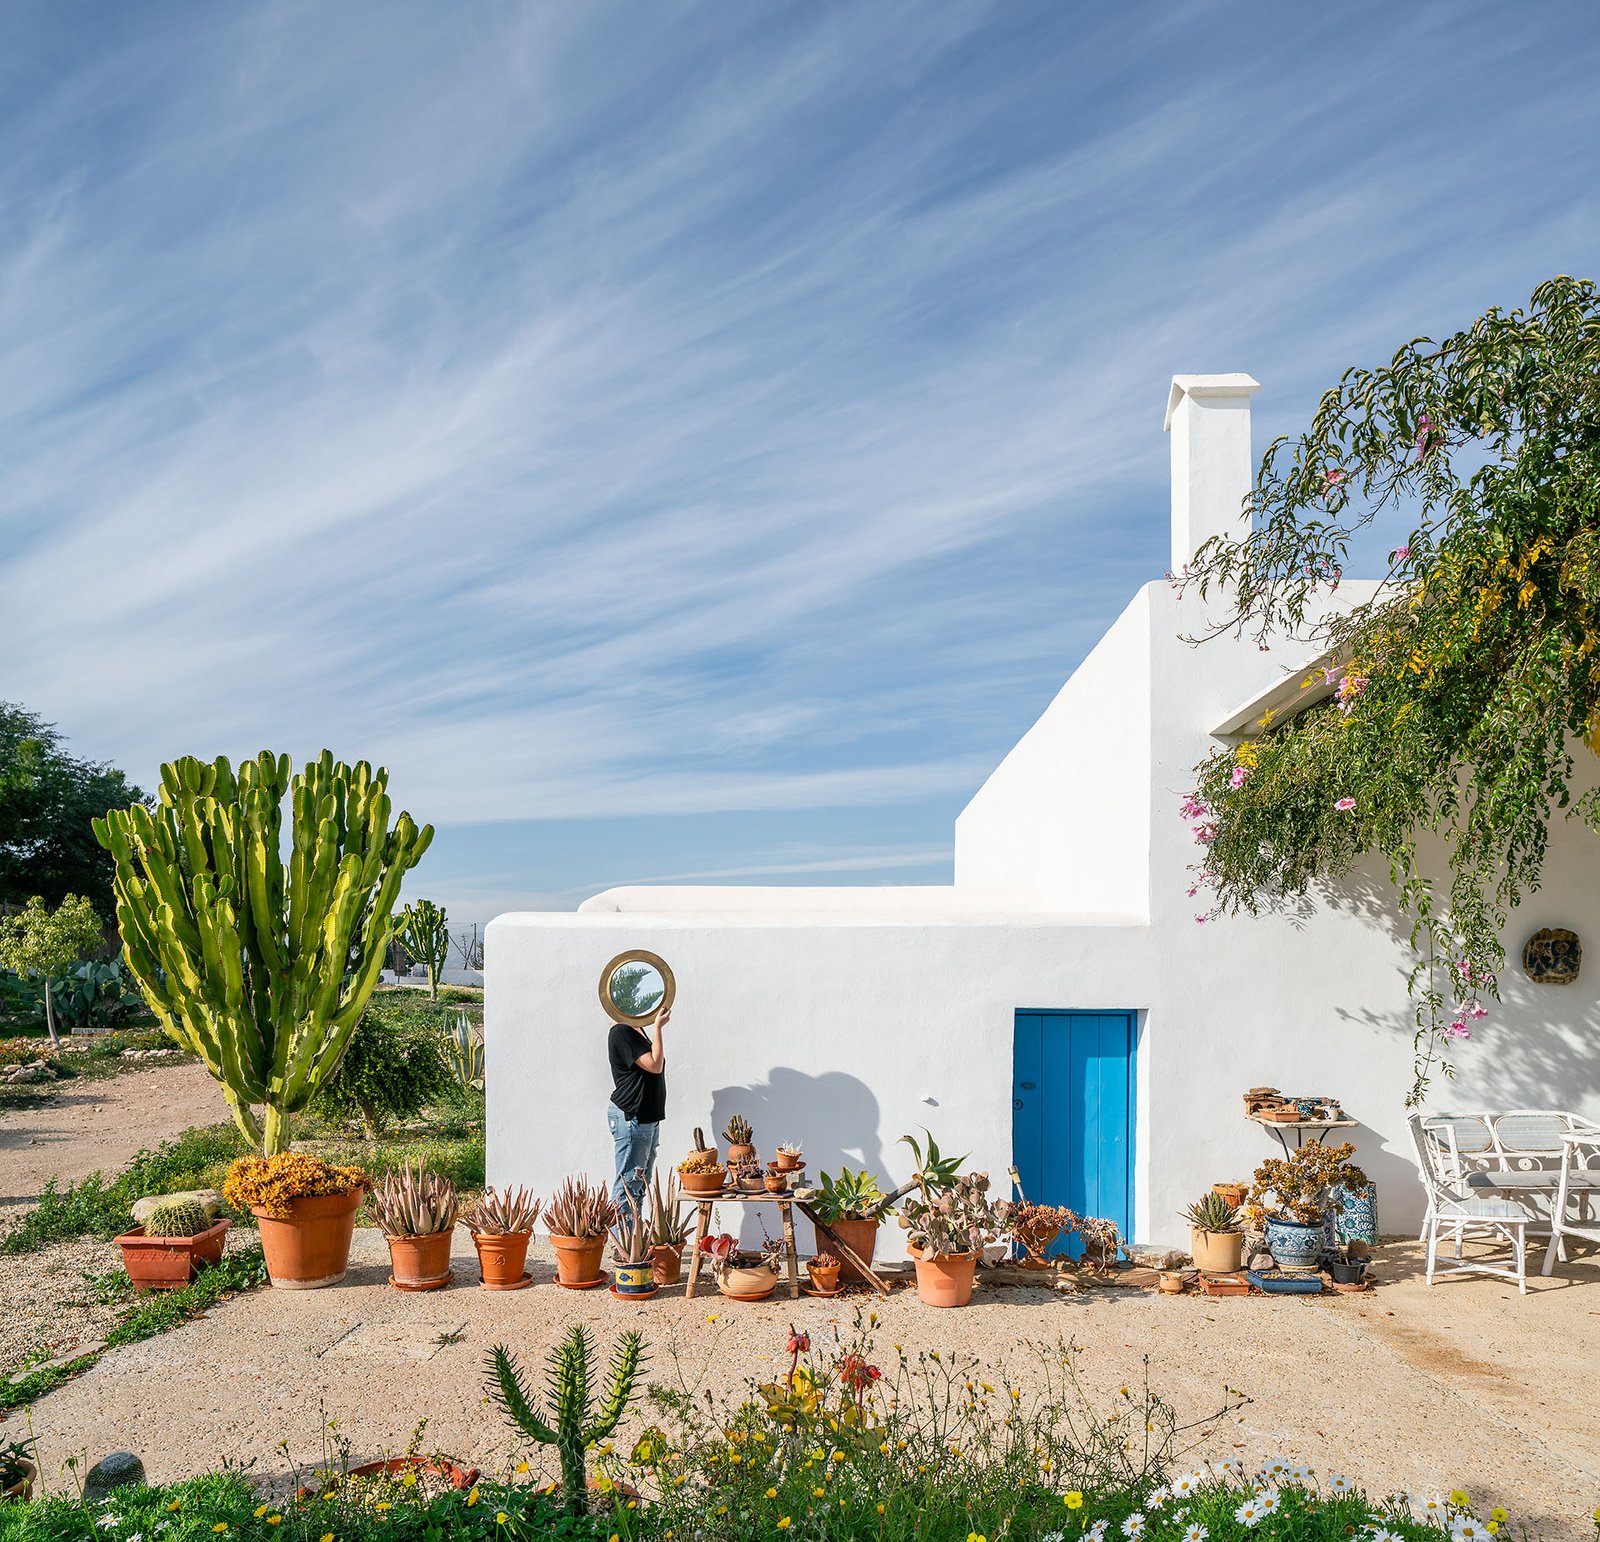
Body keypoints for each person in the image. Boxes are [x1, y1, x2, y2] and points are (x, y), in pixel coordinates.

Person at [608, 1000, 669, 1214]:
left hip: (646, 1117)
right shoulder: (621, 1031)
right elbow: (655, 1064)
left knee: (639, 1184)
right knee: (628, 1183)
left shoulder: (637, 1030)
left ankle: (634, 1242)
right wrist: (658, 1028)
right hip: (632, 1115)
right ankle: (621, 1245)